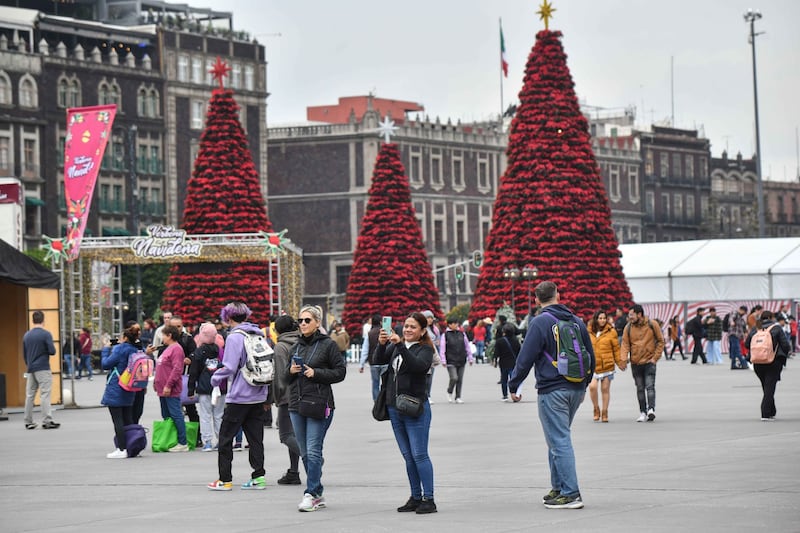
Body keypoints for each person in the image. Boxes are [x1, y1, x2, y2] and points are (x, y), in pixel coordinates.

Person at [508, 281, 594, 509]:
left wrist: (514, 383)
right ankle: (558, 487)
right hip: (575, 387)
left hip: (552, 389)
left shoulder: (539, 322)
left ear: (536, 300)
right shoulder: (576, 321)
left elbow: (525, 357)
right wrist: (584, 385)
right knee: (556, 439)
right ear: (558, 295)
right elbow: (590, 354)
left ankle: (571, 493)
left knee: (559, 440)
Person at [374, 312, 437, 514]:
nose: (408, 330)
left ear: (422, 331)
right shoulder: (395, 347)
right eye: (406, 326)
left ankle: (429, 498)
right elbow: (376, 360)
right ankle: (415, 496)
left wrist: (400, 345)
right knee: (408, 456)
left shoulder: (425, 350)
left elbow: (417, 367)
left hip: (415, 407)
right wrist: (382, 344)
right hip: (395, 407)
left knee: (419, 454)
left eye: (413, 327)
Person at [287, 305, 346, 512]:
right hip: (296, 404)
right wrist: (291, 371)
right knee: (305, 452)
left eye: (307, 320)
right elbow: (286, 379)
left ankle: (310, 493)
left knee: (313, 451)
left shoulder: (327, 345)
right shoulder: (295, 346)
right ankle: (318, 491)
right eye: (300, 321)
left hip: (319, 404)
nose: (302, 324)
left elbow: (340, 372)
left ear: (317, 323)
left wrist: (316, 373)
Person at [208, 302, 270, 490]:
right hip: (259, 393)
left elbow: (230, 366)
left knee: (226, 438)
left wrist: (215, 378)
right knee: (255, 438)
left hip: (240, 396)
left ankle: (225, 479)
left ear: (228, 317)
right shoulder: (257, 334)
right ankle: (258, 477)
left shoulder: (235, 337)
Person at [271, 314, 303, 485]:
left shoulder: (281, 347)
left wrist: (276, 397)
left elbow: (279, 376)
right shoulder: (302, 341)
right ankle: (293, 471)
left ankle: (311, 458)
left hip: (287, 396)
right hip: (303, 393)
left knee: (285, 435)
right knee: (295, 434)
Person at [620, 304, 665, 422]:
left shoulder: (652, 324)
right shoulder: (628, 327)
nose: (630, 317)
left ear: (639, 314)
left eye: (631, 314)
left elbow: (661, 341)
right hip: (636, 363)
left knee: (650, 386)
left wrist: (655, 358)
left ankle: (651, 409)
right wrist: (623, 359)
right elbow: (625, 344)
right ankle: (642, 412)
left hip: (649, 362)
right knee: (640, 388)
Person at [745, 310, 792, 421]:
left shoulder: (755, 328)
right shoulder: (776, 328)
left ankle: (771, 411)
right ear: (771, 317)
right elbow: (786, 345)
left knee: (767, 387)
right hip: (773, 362)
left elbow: (747, 344)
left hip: (758, 362)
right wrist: (782, 355)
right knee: (769, 388)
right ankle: (765, 413)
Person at [102, 325, 139, 458]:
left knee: (117, 420)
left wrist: (106, 349)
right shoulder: (135, 349)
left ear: (124, 338)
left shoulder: (119, 349)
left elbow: (106, 364)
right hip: (129, 388)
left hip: (117, 388)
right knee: (128, 418)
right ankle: (131, 446)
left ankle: (121, 448)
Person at [188, 323, 224, 452]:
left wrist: (190, 389)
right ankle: (221, 441)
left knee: (205, 415)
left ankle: (207, 442)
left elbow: (193, 372)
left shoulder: (199, 351)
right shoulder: (220, 350)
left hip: (204, 387)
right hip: (220, 387)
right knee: (219, 415)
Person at [153, 324, 189, 452]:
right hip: (161, 388)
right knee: (166, 415)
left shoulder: (176, 349)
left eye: (163, 335)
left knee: (176, 414)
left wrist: (169, 385)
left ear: (170, 335)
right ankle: (170, 438)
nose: (162, 337)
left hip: (170, 388)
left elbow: (177, 369)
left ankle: (182, 442)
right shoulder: (167, 348)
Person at [23, 310, 59, 430]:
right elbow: (52, 351)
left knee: (30, 395)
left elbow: (24, 354)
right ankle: (47, 420)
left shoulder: (27, 335)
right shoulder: (45, 334)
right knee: (45, 394)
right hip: (43, 367)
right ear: (43, 320)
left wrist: (29, 364)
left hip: (31, 368)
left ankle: (28, 421)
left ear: (33, 320)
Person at [588, 310, 624, 422]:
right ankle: (596, 408)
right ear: (596, 319)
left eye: (604, 318)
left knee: (605, 389)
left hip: (607, 366)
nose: (602, 320)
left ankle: (604, 412)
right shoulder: (589, 331)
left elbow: (616, 349)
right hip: (593, 366)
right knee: (592, 387)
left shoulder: (611, 332)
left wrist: (620, 362)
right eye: (600, 318)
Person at [440, 317, 473, 403]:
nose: (455, 325)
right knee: (454, 378)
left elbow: (467, 346)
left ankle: (458, 396)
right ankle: (449, 391)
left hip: (461, 359)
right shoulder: (445, 335)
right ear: (449, 325)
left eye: (456, 323)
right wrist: (443, 360)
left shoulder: (462, 333)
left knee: (460, 379)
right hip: (451, 360)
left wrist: (470, 357)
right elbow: (442, 348)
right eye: (453, 323)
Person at [359, 314, 387, 401]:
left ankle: (377, 403)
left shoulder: (369, 334)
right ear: (380, 322)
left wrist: (361, 364)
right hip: (386, 361)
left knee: (375, 384)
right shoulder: (386, 332)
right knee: (386, 384)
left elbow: (365, 350)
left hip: (373, 362)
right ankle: (385, 401)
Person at [493, 323, 519, 402]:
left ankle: (505, 395)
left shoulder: (500, 341)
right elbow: (519, 351)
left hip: (503, 363)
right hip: (513, 362)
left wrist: (495, 360)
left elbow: (496, 352)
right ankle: (514, 393)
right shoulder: (515, 340)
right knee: (513, 378)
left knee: (504, 379)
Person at [422, 310, 440, 402]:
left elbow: (438, 341)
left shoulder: (435, 329)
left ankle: (428, 395)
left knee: (430, 377)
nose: (430, 320)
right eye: (428, 318)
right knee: (423, 377)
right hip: (423, 354)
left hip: (432, 355)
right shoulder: (421, 329)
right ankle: (423, 395)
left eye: (431, 318)